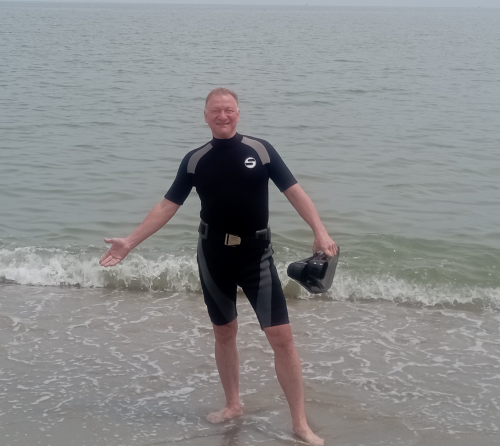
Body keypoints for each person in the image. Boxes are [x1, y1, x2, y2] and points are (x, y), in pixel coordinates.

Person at [100, 88, 338, 446]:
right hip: (213, 255)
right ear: (205, 116)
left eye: (228, 110)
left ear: (238, 113)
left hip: (256, 255)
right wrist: (130, 242)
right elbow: (167, 206)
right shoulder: (195, 160)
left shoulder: (261, 150)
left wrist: (319, 231)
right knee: (224, 331)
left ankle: (300, 424)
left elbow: (294, 191)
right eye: (215, 111)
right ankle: (233, 405)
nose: (222, 116)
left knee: (282, 337)